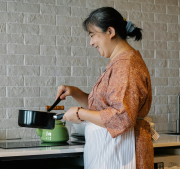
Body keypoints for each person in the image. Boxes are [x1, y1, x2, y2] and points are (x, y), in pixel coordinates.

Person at [56, 7, 158, 169]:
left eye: (92, 35)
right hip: (111, 151)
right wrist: (75, 92)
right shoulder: (118, 63)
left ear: (110, 31)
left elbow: (121, 117)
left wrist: (79, 113)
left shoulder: (126, 65)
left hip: (122, 152)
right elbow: (103, 109)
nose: (91, 42)